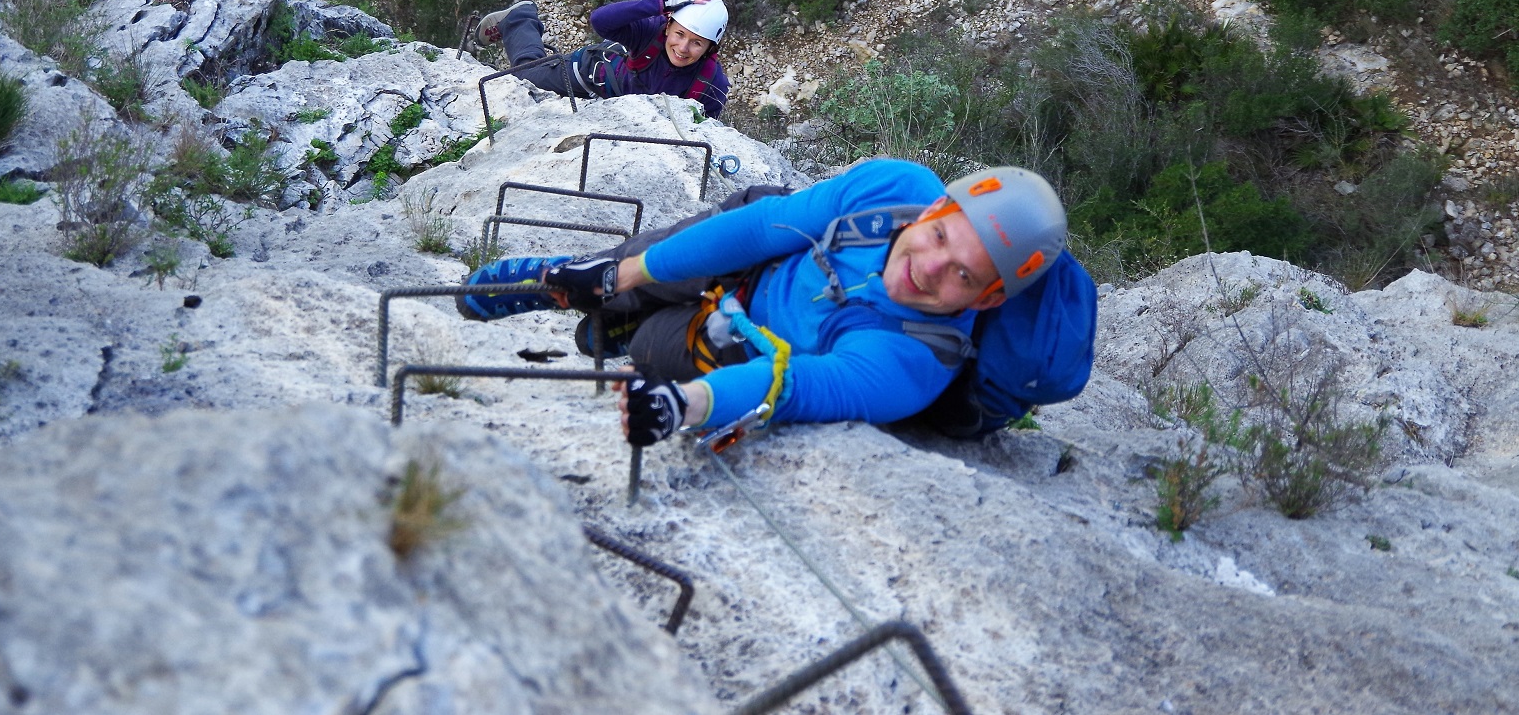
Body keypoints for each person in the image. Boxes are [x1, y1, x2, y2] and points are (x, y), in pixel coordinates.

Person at [460, 158, 1096, 447]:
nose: (926, 270)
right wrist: (621, 272)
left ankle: (609, 331)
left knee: (642, 344)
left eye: (961, 275)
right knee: (648, 262)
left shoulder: (915, 362)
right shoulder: (894, 189)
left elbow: (792, 385)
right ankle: (559, 281)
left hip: (734, 350)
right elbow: (766, 225)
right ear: (935, 208)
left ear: (986, 299)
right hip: (758, 263)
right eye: (938, 236)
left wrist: (687, 406)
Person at [477, 0, 731, 118]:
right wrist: (661, 3)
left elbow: (705, 128)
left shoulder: (711, 84)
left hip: (619, 108)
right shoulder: (651, 31)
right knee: (525, 75)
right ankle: (520, 19)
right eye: (679, 34)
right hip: (592, 76)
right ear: (668, 26)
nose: (683, 48)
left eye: (697, 43)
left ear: (711, 48)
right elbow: (601, 20)